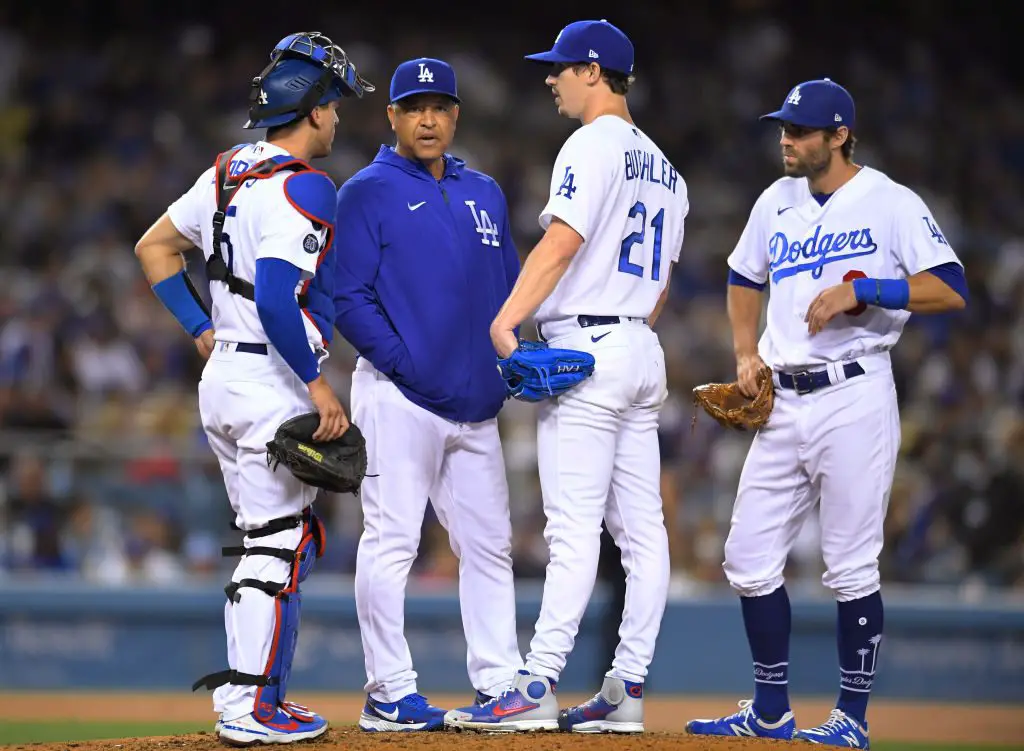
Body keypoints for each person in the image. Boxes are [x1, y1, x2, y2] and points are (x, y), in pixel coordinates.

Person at [684, 79, 967, 747]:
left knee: (849, 566)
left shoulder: (889, 201)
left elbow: (949, 286)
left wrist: (865, 290)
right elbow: (743, 276)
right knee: (747, 559)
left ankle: (851, 718)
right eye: (784, 127)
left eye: (802, 130)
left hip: (854, 395)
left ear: (839, 135)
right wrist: (745, 351)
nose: (787, 138)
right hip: (780, 398)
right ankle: (771, 711)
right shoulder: (774, 201)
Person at [444, 19, 689, 734]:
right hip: (640, 346)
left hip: (585, 349)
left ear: (593, 69)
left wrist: (506, 320)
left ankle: (535, 682)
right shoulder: (668, 170)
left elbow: (562, 239)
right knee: (644, 535)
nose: (550, 78)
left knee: (574, 529)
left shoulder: (590, 143)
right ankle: (628, 688)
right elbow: (664, 285)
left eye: (560, 68)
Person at [134, 32, 373, 745]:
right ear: (316, 107)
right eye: (335, 105)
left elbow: (154, 246)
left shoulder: (226, 172)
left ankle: (261, 698)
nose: (338, 119)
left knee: (268, 541)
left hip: (224, 378)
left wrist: (199, 326)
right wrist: (318, 385)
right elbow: (275, 299)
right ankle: (247, 709)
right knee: (275, 545)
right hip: (270, 378)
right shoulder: (307, 185)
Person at [332, 57, 523, 732]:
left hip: (476, 406)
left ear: (456, 115)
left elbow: (509, 292)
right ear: (392, 117)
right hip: (398, 398)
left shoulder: (486, 192)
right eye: (414, 107)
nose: (428, 118)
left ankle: (500, 683)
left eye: (440, 106)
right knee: (391, 541)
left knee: (490, 545)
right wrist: (403, 362)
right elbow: (343, 296)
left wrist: (515, 357)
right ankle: (388, 688)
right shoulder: (366, 191)